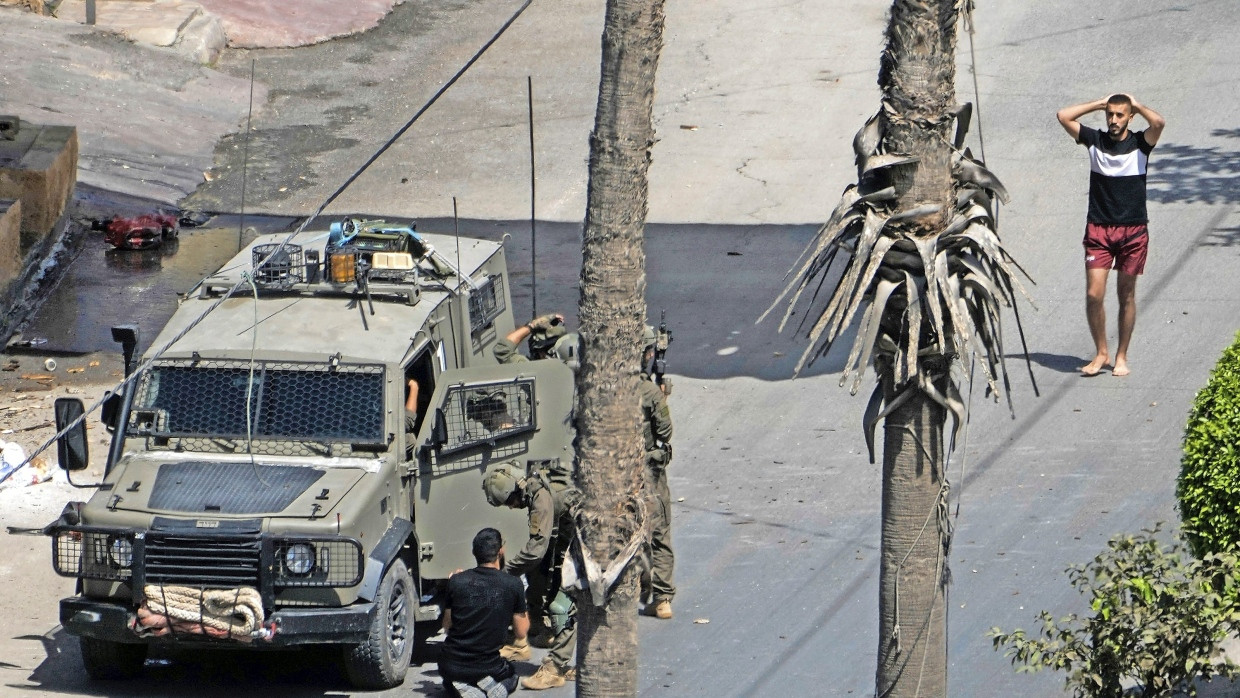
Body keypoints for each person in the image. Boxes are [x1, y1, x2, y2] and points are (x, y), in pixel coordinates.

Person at [1056, 93, 1165, 377]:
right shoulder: (1095, 140)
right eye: (1110, 114)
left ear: (1130, 117)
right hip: (1099, 229)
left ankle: (1121, 356)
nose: (1113, 120)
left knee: (1125, 294)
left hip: (1133, 230)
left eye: (1119, 115)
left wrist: (1137, 104)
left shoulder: (1141, 144)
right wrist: (1098, 103)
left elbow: (1159, 122)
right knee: (1094, 294)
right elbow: (1063, 116)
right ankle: (1102, 352)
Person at [482, 461, 581, 690]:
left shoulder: (541, 500)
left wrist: (505, 573)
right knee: (538, 572)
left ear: (516, 490)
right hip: (571, 538)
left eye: (508, 502)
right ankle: (531, 631)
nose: (510, 507)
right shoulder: (536, 485)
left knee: (562, 606)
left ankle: (556, 668)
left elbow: (536, 550)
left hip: (590, 543)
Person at [438, 528, 529, 698]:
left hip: (452, 665)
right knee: (512, 675)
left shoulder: (457, 581)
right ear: (500, 551)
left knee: (448, 680)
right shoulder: (513, 584)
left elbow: (446, 626)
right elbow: (521, 632)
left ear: (474, 552)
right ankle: (490, 688)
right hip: (489, 665)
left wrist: (453, 586)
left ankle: (464, 686)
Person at [638, 325, 675, 619]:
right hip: (649, 473)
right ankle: (662, 598)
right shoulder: (650, 391)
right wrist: (663, 397)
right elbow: (665, 431)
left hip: (616, 472)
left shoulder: (612, 386)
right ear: (648, 353)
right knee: (659, 533)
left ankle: (639, 583)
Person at [493, 313, 566, 364]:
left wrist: (532, 326)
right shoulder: (571, 365)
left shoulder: (529, 368)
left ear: (541, 354)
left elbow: (501, 349)